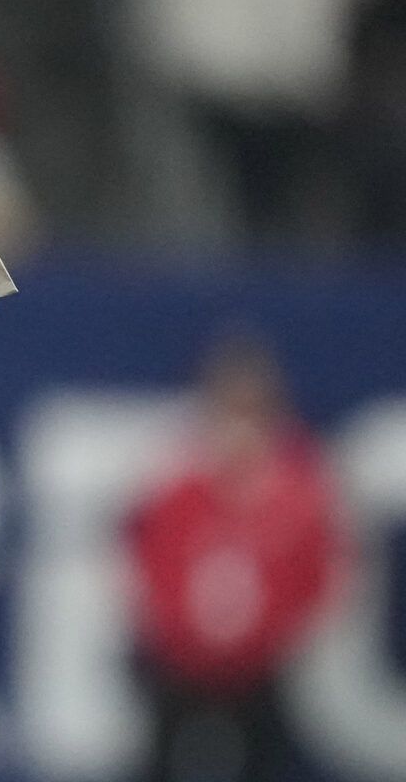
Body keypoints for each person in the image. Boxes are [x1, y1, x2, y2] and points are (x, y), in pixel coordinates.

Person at [125, 333, 348, 782]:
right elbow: (151, 566)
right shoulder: (179, 490)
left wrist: (268, 639)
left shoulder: (298, 496)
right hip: (179, 669)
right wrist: (179, 635)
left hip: (260, 674)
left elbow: (315, 578)